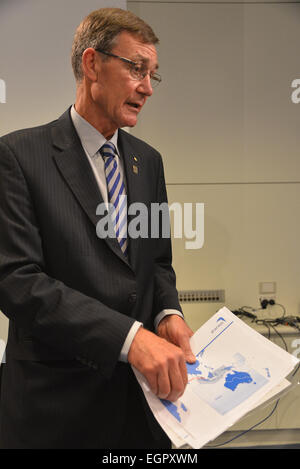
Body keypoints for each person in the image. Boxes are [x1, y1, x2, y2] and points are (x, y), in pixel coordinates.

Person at [0, 8, 195, 449]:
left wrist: (168, 314)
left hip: (142, 411)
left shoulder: (150, 161)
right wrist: (129, 339)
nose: (147, 87)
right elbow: (16, 281)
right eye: (136, 69)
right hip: (56, 412)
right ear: (91, 64)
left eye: (152, 75)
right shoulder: (18, 156)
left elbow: (157, 262)